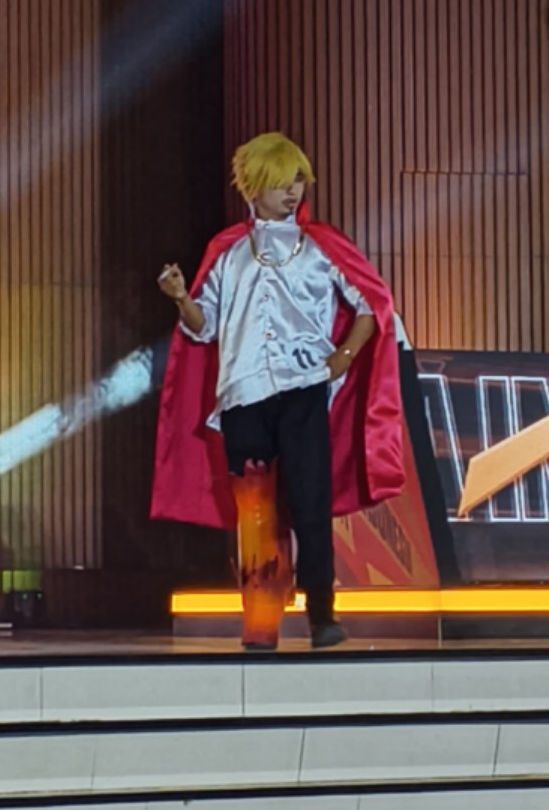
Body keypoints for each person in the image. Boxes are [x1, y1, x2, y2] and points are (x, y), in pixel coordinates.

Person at [152, 132, 405, 650]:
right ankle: (261, 618)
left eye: (298, 181)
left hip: (304, 390)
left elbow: (371, 306)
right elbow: (204, 326)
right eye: (281, 182)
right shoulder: (228, 251)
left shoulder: (321, 246)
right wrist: (180, 297)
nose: (293, 192)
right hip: (243, 397)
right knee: (255, 511)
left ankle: (322, 614)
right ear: (254, 187)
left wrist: (341, 358)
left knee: (310, 502)